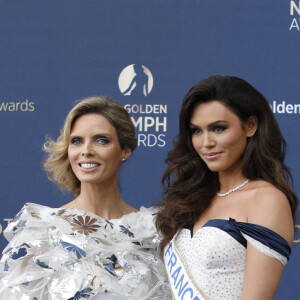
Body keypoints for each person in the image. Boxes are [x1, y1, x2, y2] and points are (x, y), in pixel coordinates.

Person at [0, 96, 171, 299]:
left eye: (101, 140)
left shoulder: (154, 231)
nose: (87, 151)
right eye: (77, 141)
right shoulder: (42, 232)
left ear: (125, 150)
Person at [156, 75, 298, 300]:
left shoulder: (266, 199)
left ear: (250, 126)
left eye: (219, 128)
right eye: (196, 131)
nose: (206, 142)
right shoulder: (192, 196)